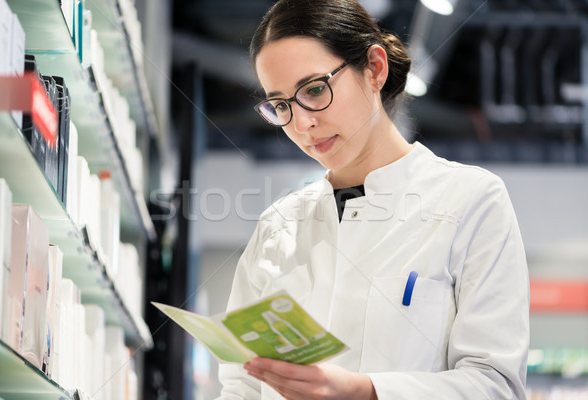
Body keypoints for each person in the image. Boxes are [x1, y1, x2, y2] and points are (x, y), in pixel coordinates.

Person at [217, 0, 530, 399]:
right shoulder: (278, 226)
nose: (302, 123)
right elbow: (241, 386)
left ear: (375, 69)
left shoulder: (471, 201)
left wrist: (368, 392)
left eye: (314, 89)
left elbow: (496, 385)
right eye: (281, 105)